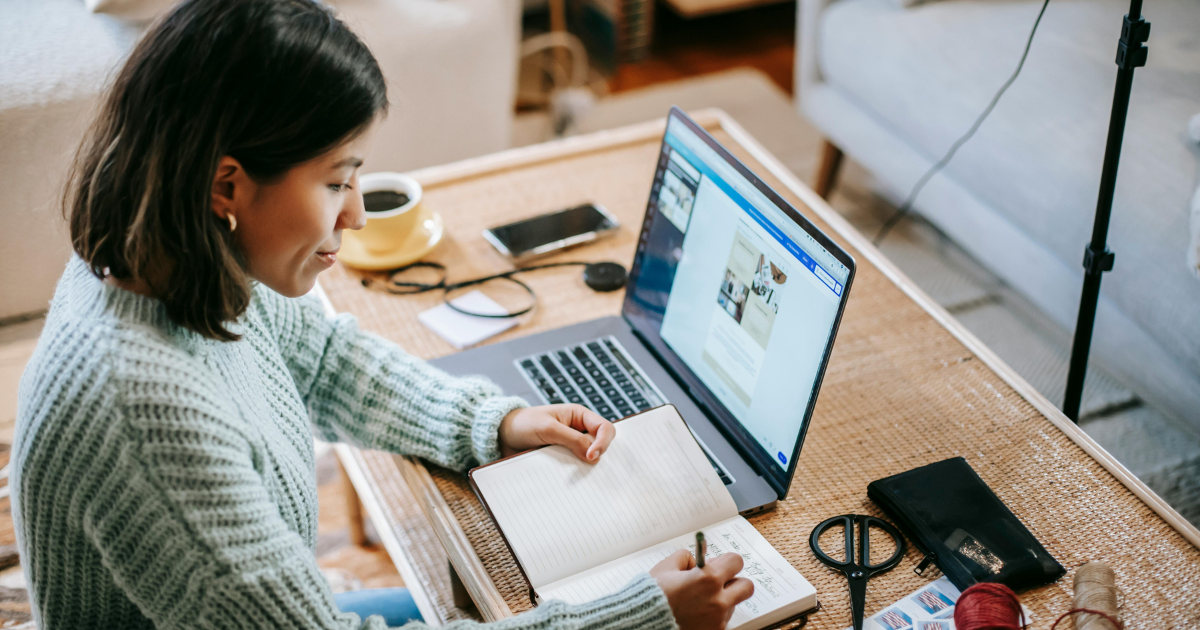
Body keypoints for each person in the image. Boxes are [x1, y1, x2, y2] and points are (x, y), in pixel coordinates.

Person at [11, 1, 755, 629]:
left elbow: (330, 364)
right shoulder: (147, 414)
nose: (358, 213)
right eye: (337, 181)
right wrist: (641, 619)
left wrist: (492, 425)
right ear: (226, 185)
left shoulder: (177, 258)